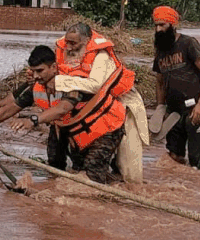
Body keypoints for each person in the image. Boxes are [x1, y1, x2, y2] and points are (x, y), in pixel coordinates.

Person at [0, 45, 128, 184]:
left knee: (93, 178)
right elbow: (7, 107)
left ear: (54, 67)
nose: (35, 76)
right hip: (74, 130)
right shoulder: (36, 86)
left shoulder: (72, 81)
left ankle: (119, 185)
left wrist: (33, 120)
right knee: (59, 167)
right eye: (33, 71)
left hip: (106, 128)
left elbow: (62, 108)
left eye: (40, 71)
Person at [53, 23, 150, 184]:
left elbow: (95, 85)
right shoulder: (65, 49)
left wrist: (59, 81)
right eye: (67, 42)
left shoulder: (101, 56)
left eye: (73, 43)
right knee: (83, 165)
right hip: (95, 109)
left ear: (87, 41)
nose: (69, 47)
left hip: (124, 104)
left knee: (130, 171)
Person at [151, 6, 200, 170]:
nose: (158, 29)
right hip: (173, 113)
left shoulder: (188, 43)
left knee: (197, 166)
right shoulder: (160, 49)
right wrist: (160, 108)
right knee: (173, 159)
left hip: (194, 110)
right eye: (156, 25)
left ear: (172, 24)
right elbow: (159, 81)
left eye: (162, 25)